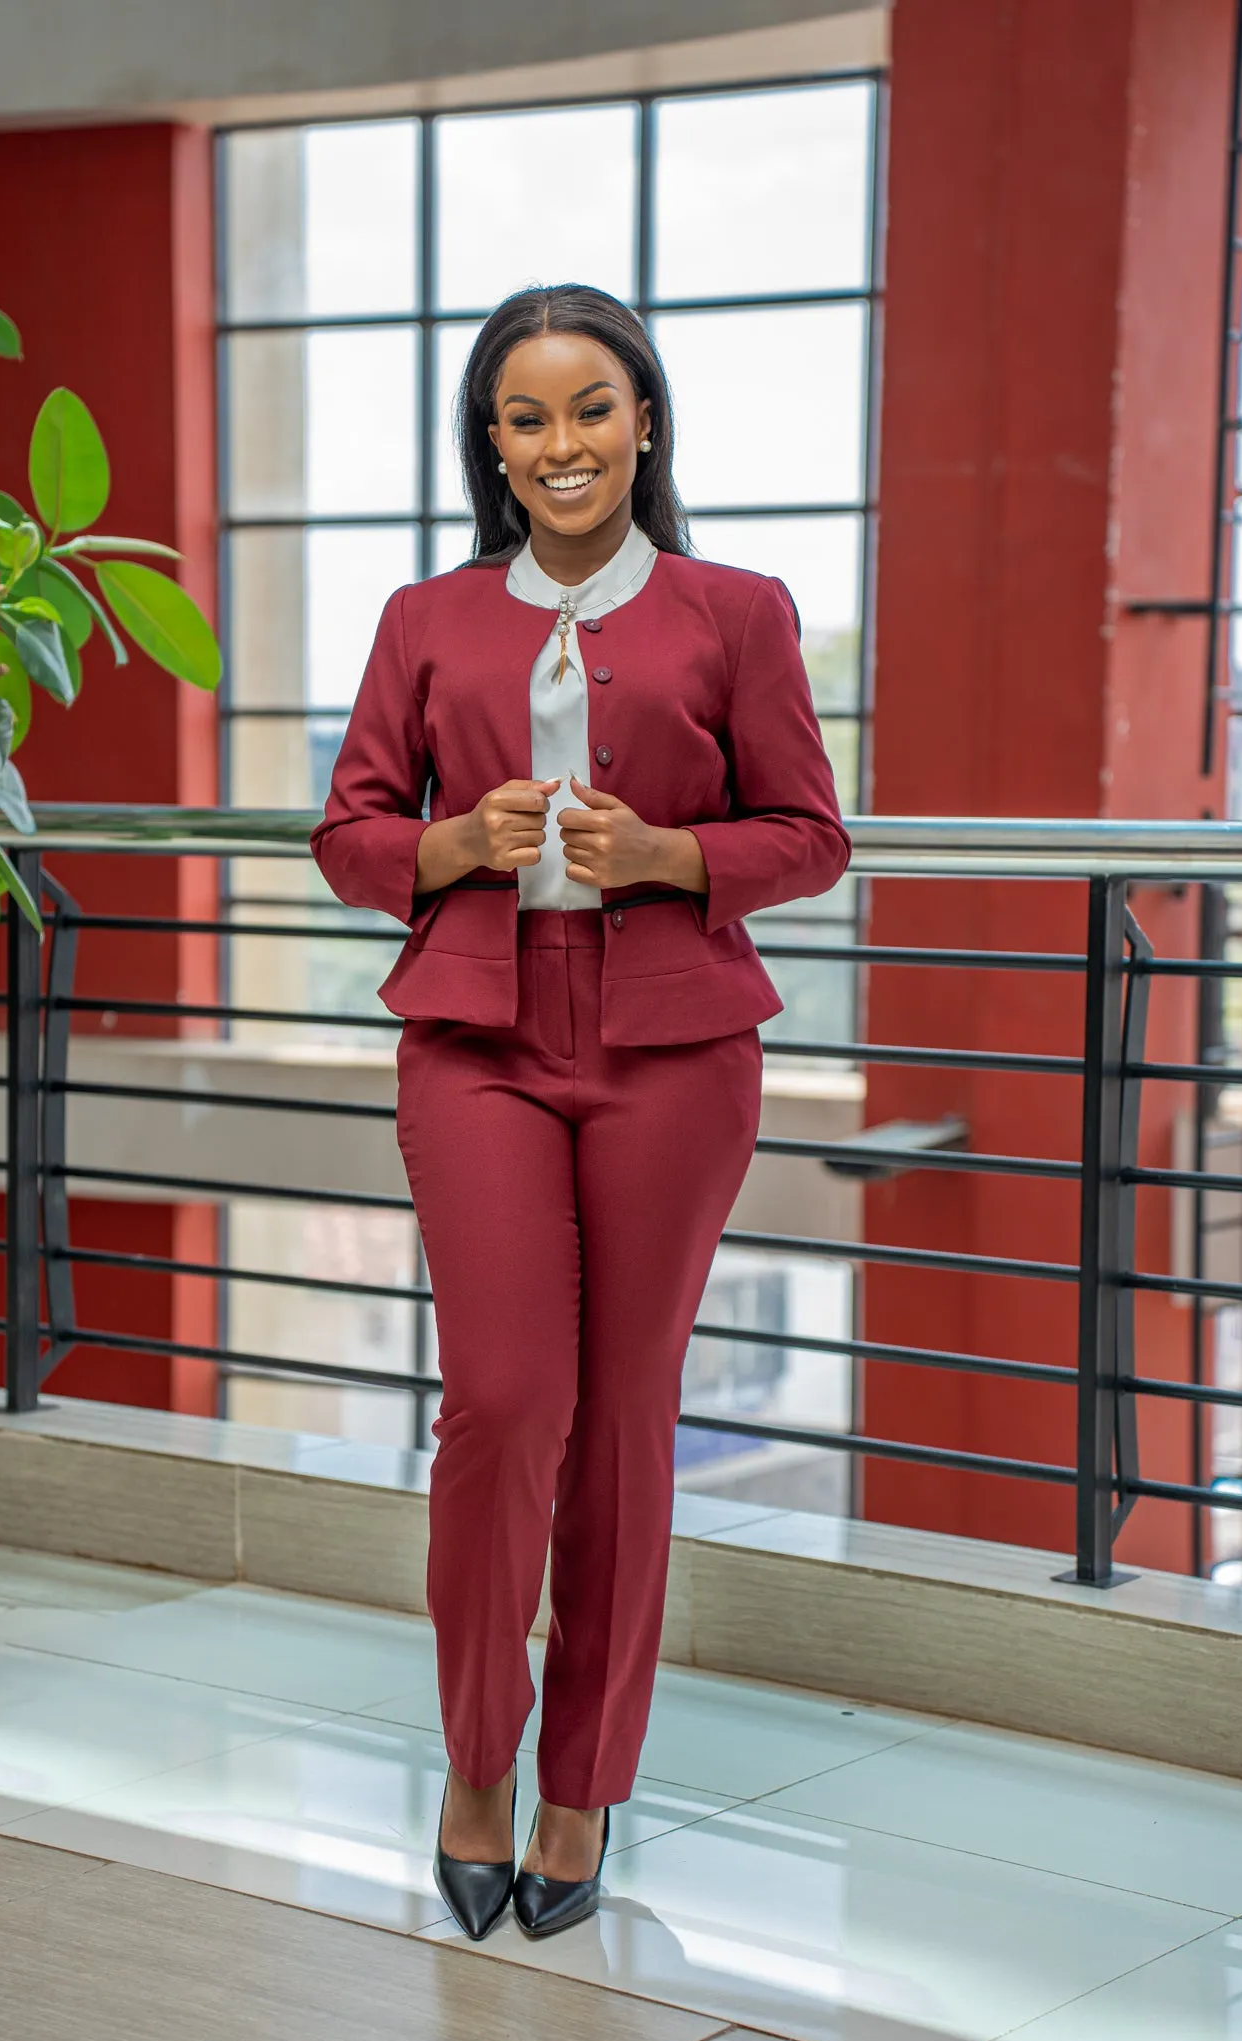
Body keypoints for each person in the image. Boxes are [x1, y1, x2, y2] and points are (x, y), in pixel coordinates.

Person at [312, 282, 850, 1942]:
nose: (564, 446)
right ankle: (480, 1754)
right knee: (503, 1401)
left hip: (675, 1047)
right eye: (528, 417)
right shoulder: (425, 616)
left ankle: (581, 1785)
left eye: (593, 410)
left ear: (645, 421)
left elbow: (810, 834)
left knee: (624, 1418)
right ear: (492, 440)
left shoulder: (736, 610)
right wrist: (451, 847)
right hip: (476, 1033)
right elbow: (346, 832)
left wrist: (677, 858)